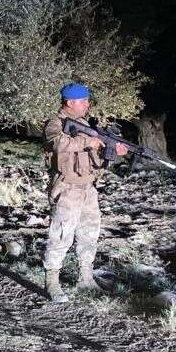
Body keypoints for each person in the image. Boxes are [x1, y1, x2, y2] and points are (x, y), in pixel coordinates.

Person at [43, 83, 128, 303]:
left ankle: (86, 278)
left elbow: (95, 160)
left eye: (87, 100)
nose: (87, 105)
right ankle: (52, 283)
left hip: (89, 188)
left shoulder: (85, 125)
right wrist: (88, 141)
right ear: (69, 102)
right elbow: (57, 143)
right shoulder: (56, 123)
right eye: (83, 101)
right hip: (67, 188)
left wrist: (112, 152)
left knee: (89, 234)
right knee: (61, 235)